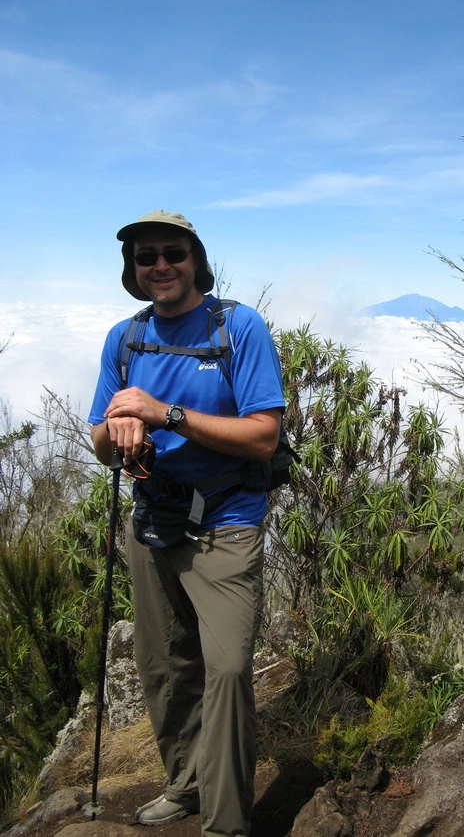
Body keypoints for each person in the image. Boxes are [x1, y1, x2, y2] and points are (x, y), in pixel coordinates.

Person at [89, 210, 285, 837]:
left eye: (172, 253)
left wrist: (165, 413)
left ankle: (226, 825)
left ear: (195, 259)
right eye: (147, 257)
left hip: (226, 520)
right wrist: (117, 435)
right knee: (164, 665)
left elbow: (263, 436)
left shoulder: (238, 327)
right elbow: (97, 434)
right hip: (152, 520)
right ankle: (186, 783)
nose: (160, 266)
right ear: (133, 269)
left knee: (226, 668)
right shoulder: (124, 339)